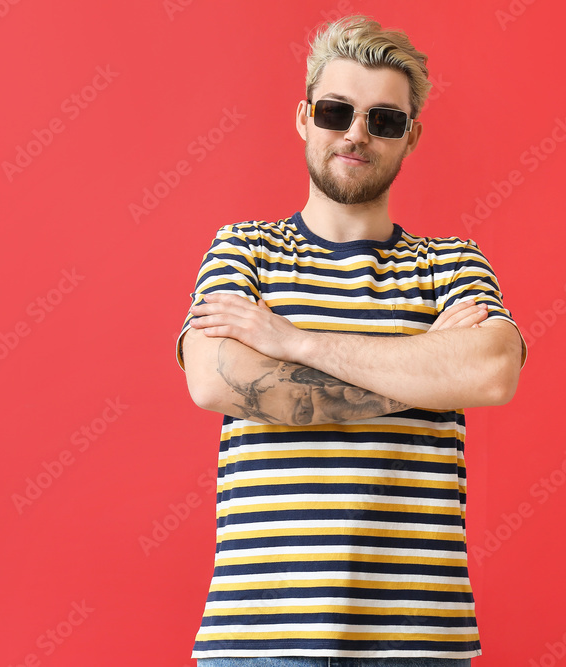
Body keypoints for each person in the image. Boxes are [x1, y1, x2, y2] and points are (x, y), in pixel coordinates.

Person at [177, 14, 526, 666]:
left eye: (384, 120)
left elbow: (490, 373)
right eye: (337, 111)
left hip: (419, 641)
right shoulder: (243, 250)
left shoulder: (451, 264)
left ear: (410, 137)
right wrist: (421, 378)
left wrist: (295, 342)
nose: (356, 134)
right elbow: (217, 380)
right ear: (305, 117)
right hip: (258, 640)